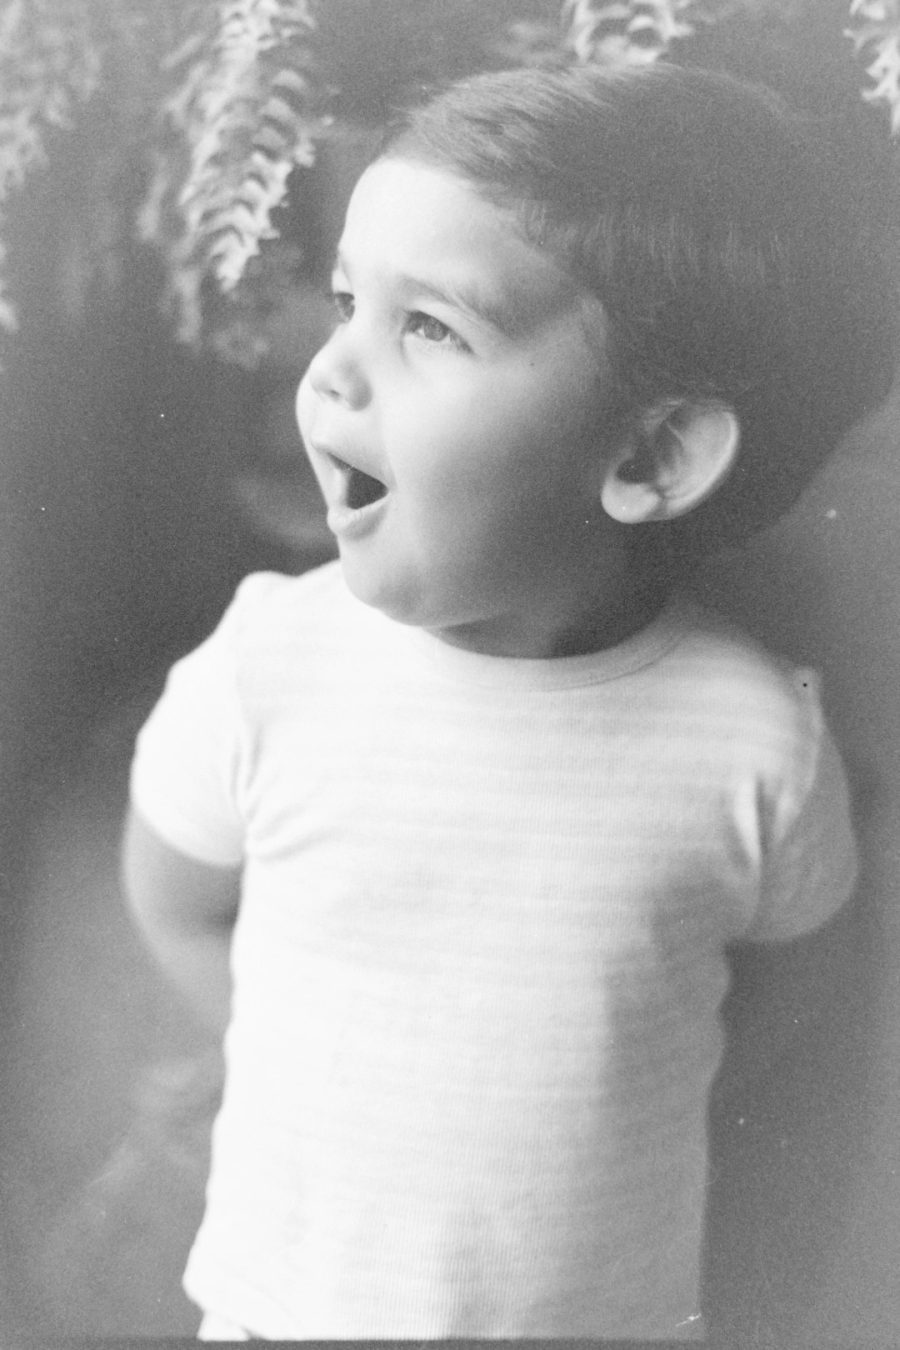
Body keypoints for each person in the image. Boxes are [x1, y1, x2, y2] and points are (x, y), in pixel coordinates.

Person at [122, 62, 895, 1340]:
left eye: (430, 327)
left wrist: (611, 1090)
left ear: (650, 453)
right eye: (348, 302)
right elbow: (175, 899)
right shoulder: (270, 669)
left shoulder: (753, 742)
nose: (331, 374)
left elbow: (786, 985)